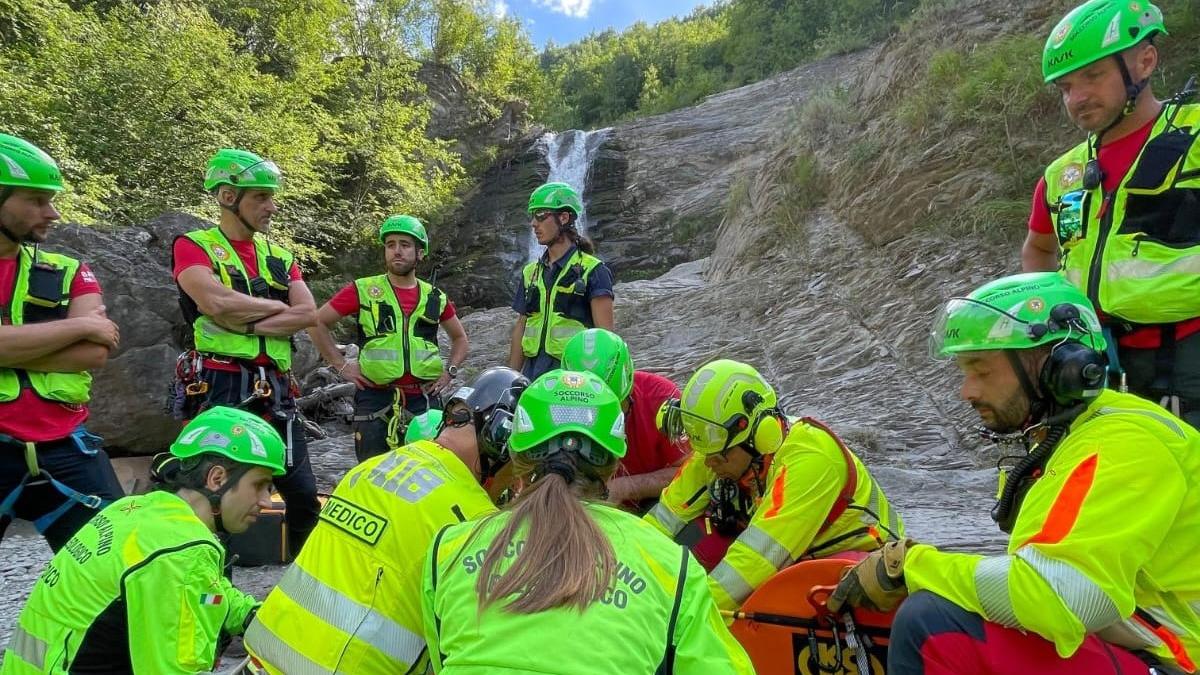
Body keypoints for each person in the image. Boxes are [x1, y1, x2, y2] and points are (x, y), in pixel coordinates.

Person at [830, 272, 1200, 675]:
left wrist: (912, 567)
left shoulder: (1124, 444)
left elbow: (1064, 597)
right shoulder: (1075, 432)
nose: (967, 391)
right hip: (1143, 643)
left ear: (1060, 366)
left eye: (982, 371)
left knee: (932, 623)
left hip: (1177, 660)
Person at [422, 369, 754, 673]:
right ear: (613, 465)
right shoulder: (671, 567)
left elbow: (442, 659)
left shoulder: (448, 551)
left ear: (516, 456)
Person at [243, 367, 527, 675]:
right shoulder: (472, 520)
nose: (517, 480)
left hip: (264, 652)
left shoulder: (371, 468)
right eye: (520, 465)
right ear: (500, 440)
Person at [1021, 0, 1200, 427]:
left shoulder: (1194, 139)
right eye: (1065, 87)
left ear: (1145, 62)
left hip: (1189, 360)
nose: (1077, 97)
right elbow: (1038, 249)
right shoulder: (1061, 174)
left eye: (1093, 76)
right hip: (1097, 366)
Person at [1, 406, 284, 674]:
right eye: (259, 485)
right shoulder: (181, 552)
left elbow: (205, 593)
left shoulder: (137, 510)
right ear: (217, 478)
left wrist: (247, 614)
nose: (267, 501)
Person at [644, 359, 904, 612]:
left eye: (719, 456)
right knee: (693, 539)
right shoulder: (720, 446)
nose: (709, 463)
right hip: (790, 553)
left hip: (863, 566)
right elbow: (659, 523)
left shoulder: (812, 460)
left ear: (761, 436)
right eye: (704, 453)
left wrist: (679, 616)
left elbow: (753, 561)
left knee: (745, 596)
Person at [172, 148, 319, 556]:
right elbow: (214, 302)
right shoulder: (193, 246)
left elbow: (307, 313)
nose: (271, 207)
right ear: (227, 196)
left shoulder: (281, 257)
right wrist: (276, 309)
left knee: (303, 495)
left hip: (276, 389)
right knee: (214, 494)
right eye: (260, 197)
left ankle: (302, 576)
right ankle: (211, 575)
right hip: (220, 383)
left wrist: (244, 321)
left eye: (271, 197)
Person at [0, 133, 123, 551]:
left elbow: (95, 352)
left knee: (113, 564)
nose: (52, 212)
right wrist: (78, 326)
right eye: (36, 200)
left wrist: (12, 347)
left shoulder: (68, 268)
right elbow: (87, 336)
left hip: (67, 446)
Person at [308, 215, 468, 462]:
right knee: (372, 472)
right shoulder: (363, 289)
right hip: (374, 397)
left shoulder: (435, 297)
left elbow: (460, 338)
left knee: (428, 471)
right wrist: (340, 365)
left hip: (423, 398)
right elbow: (316, 323)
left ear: (420, 253)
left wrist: (450, 372)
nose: (397, 251)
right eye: (390, 245)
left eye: (405, 245)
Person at [560, 328, 687, 512]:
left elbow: (692, 473)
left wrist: (625, 487)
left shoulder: (662, 398)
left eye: (612, 409)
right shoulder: (557, 408)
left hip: (654, 502)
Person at [507, 182, 614, 381]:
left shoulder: (594, 271)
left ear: (563, 218)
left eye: (540, 215)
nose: (533, 223)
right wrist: (509, 379)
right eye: (532, 216)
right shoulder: (530, 273)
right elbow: (521, 326)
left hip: (573, 379)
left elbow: (606, 338)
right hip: (532, 377)